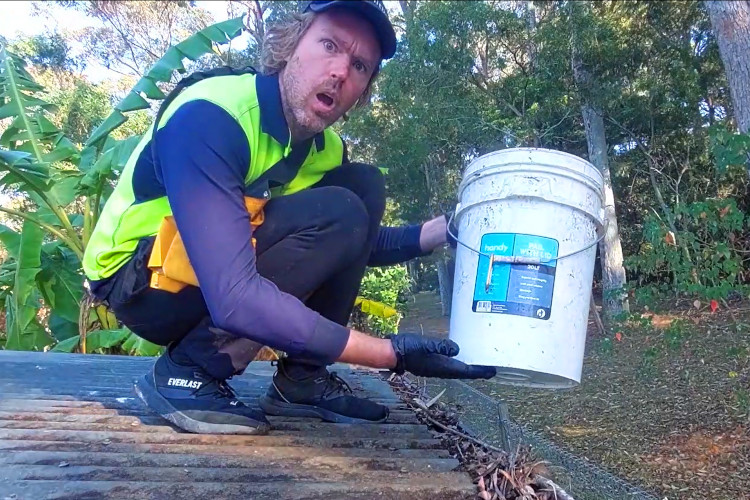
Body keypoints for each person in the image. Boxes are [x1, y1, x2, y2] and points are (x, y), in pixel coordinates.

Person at [82, 0, 495, 436]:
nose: (340, 71)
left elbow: (345, 239)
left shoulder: (324, 149)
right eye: (329, 45)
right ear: (290, 45)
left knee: (361, 187)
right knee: (342, 207)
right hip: (137, 281)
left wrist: (442, 232)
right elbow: (235, 294)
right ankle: (189, 372)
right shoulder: (213, 116)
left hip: (204, 273)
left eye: (359, 65)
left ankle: (302, 378)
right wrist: (391, 354)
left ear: (363, 90)